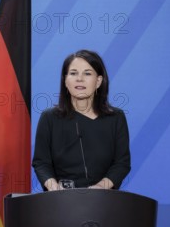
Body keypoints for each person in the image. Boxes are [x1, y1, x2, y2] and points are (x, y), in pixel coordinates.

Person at [32, 49, 130, 191]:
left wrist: (101, 187)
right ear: (65, 80)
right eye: (73, 73)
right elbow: (41, 163)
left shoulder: (116, 118)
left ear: (98, 81)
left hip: (104, 200)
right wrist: (54, 187)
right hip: (60, 201)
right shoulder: (49, 118)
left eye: (87, 73)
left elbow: (122, 163)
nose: (80, 79)